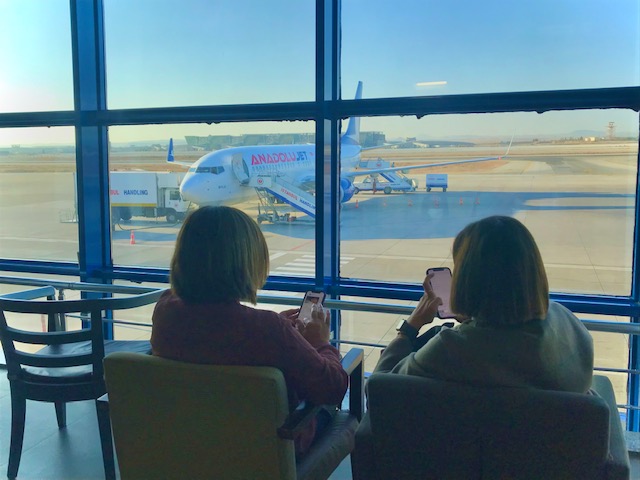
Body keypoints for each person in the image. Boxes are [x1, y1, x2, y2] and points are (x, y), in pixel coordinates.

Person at [150, 205, 348, 455]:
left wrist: (282, 329)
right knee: (328, 405)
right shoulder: (268, 330)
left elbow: (217, 334)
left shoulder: (166, 310)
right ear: (247, 263)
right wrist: (320, 342)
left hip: (190, 444)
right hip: (264, 453)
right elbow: (332, 388)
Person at [377, 215, 594, 393]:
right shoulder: (568, 322)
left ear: (468, 279)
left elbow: (380, 387)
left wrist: (409, 328)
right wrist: (474, 317)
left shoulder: (452, 348)